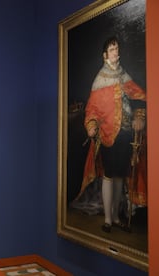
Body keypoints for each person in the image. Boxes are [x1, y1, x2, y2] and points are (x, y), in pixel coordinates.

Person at [79, 36, 147, 233]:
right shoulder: (100, 79)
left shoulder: (124, 76)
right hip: (109, 135)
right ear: (105, 55)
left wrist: (139, 118)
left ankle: (116, 216)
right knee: (109, 176)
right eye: (112, 49)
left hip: (126, 133)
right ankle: (108, 219)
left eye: (117, 49)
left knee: (120, 176)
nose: (116, 52)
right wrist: (91, 125)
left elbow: (139, 100)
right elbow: (92, 110)